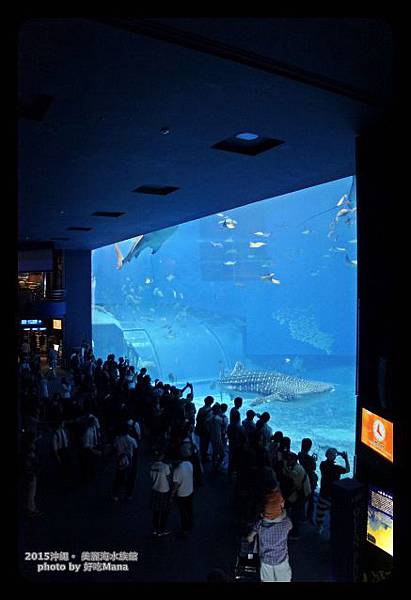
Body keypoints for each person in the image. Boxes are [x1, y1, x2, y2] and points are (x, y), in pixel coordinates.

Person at [247, 504, 293, 582]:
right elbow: (291, 526)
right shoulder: (286, 523)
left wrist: (250, 539)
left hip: (266, 560)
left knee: (267, 580)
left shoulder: (260, 524)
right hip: (281, 560)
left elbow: (249, 538)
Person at [316, 447, 350, 534]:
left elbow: (330, 459)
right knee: (333, 514)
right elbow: (348, 470)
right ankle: (333, 533)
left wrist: (336, 454)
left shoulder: (322, 465)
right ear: (334, 457)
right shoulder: (337, 468)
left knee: (320, 513)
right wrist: (345, 459)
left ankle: (319, 528)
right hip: (333, 495)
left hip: (323, 492)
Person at [282, 452, 311, 539]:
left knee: (295, 513)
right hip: (300, 492)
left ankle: (295, 534)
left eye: (289, 460)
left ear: (294, 460)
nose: (288, 461)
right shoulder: (295, 467)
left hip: (302, 493)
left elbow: (296, 487)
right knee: (296, 510)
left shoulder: (297, 470)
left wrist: (288, 500)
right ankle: (299, 521)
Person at [112, 423, 138, 501]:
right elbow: (136, 450)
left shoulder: (117, 439)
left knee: (118, 477)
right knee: (130, 478)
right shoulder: (132, 440)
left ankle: (116, 495)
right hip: (129, 460)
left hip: (120, 460)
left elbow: (115, 448)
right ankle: (128, 495)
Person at [170, 455, 194, 537]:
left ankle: (185, 529)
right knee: (189, 508)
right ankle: (190, 523)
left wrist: (171, 495)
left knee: (183, 512)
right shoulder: (189, 464)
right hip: (190, 490)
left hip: (182, 494)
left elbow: (176, 485)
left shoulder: (177, 470)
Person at [150, 449, 172, 536]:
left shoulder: (152, 466)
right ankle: (162, 530)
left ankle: (155, 529)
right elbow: (169, 478)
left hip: (155, 490)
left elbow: (151, 478)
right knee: (164, 511)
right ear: (162, 456)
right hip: (164, 490)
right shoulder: (165, 466)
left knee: (156, 511)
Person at [298, 438, 318, 522]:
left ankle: (301, 516)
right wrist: (313, 460)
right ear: (309, 447)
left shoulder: (299, 454)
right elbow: (313, 467)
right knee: (310, 499)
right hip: (310, 478)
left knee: (303, 498)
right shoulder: (309, 458)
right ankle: (309, 517)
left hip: (302, 477)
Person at [195, 396, 214, 463]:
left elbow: (197, 419)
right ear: (211, 402)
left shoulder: (201, 409)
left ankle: (203, 456)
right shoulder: (210, 410)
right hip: (206, 430)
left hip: (202, 430)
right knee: (205, 444)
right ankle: (203, 457)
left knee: (203, 444)